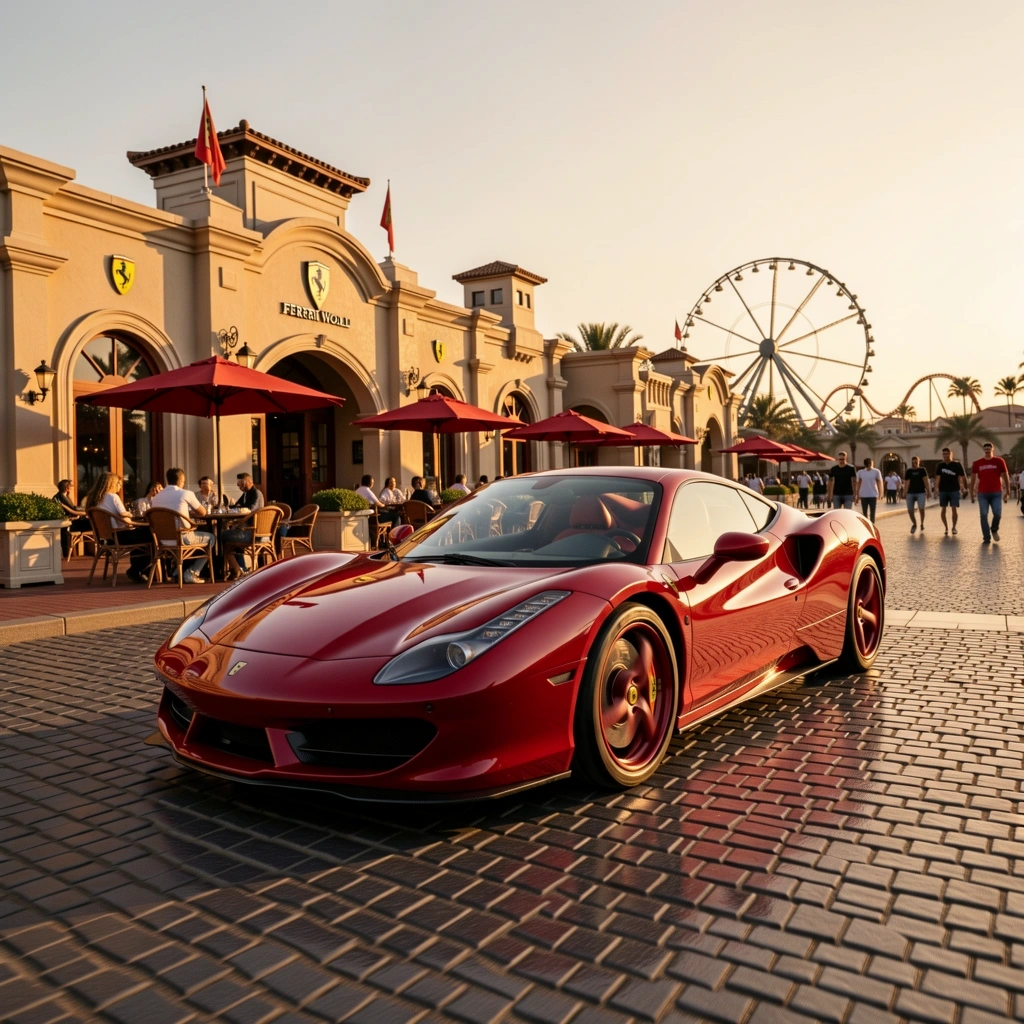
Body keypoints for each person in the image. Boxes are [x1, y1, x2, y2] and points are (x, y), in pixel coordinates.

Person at [150, 468, 215, 583]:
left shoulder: (156, 498)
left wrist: (184, 512)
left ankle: (177, 572)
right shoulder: (186, 493)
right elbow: (203, 512)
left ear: (167, 480)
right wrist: (188, 513)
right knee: (211, 538)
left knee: (196, 539)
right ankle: (191, 572)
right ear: (181, 480)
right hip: (182, 537)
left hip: (162, 540)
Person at [83, 473, 151, 582]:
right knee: (150, 534)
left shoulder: (93, 499)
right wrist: (140, 523)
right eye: (118, 483)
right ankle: (140, 571)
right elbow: (125, 520)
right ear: (112, 484)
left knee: (141, 535)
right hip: (120, 537)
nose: (120, 486)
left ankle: (137, 570)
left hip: (106, 539)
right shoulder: (113, 497)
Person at [970, 442, 1010, 544]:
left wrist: (1008, 491)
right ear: (983, 450)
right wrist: (971, 493)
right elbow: (973, 479)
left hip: (996, 492)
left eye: (989, 448)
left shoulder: (999, 461)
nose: (987, 450)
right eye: (985, 449)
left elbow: (1005, 475)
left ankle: (994, 529)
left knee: (997, 513)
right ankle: (986, 537)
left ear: (992, 449)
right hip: (982, 493)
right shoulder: (977, 463)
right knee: (983, 515)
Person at [53, 479, 90, 559]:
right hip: (66, 522)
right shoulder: (62, 497)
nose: (73, 488)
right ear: (67, 488)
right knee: (89, 523)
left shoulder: (62, 496)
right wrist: (87, 509)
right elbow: (74, 509)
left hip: (68, 520)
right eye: (72, 486)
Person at [934, 447, 967, 536]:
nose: (945, 455)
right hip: (943, 490)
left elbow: (962, 477)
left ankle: (954, 527)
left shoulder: (957, 464)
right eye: (944, 454)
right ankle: (946, 527)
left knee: (954, 508)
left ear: (951, 454)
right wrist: (936, 489)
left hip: (954, 489)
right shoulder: (940, 465)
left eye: (947, 454)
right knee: (943, 508)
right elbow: (938, 478)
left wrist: (963, 487)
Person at [903, 456, 930, 534]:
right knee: (910, 510)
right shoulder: (909, 471)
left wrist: (928, 491)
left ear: (919, 462)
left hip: (921, 492)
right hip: (910, 493)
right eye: (913, 462)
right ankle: (914, 524)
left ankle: (922, 523)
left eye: (916, 462)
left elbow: (925, 480)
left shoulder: (922, 470)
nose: (914, 464)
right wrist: (905, 492)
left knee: (921, 508)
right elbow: (907, 482)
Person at [855, 457, 883, 523]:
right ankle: (867, 525)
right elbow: (858, 483)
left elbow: (879, 482)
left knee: (872, 512)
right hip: (864, 495)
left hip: (873, 494)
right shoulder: (860, 472)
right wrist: (857, 494)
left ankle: (872, 525)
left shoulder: (876, 471)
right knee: (864, 513)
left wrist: (881, 493)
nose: (869, 465)